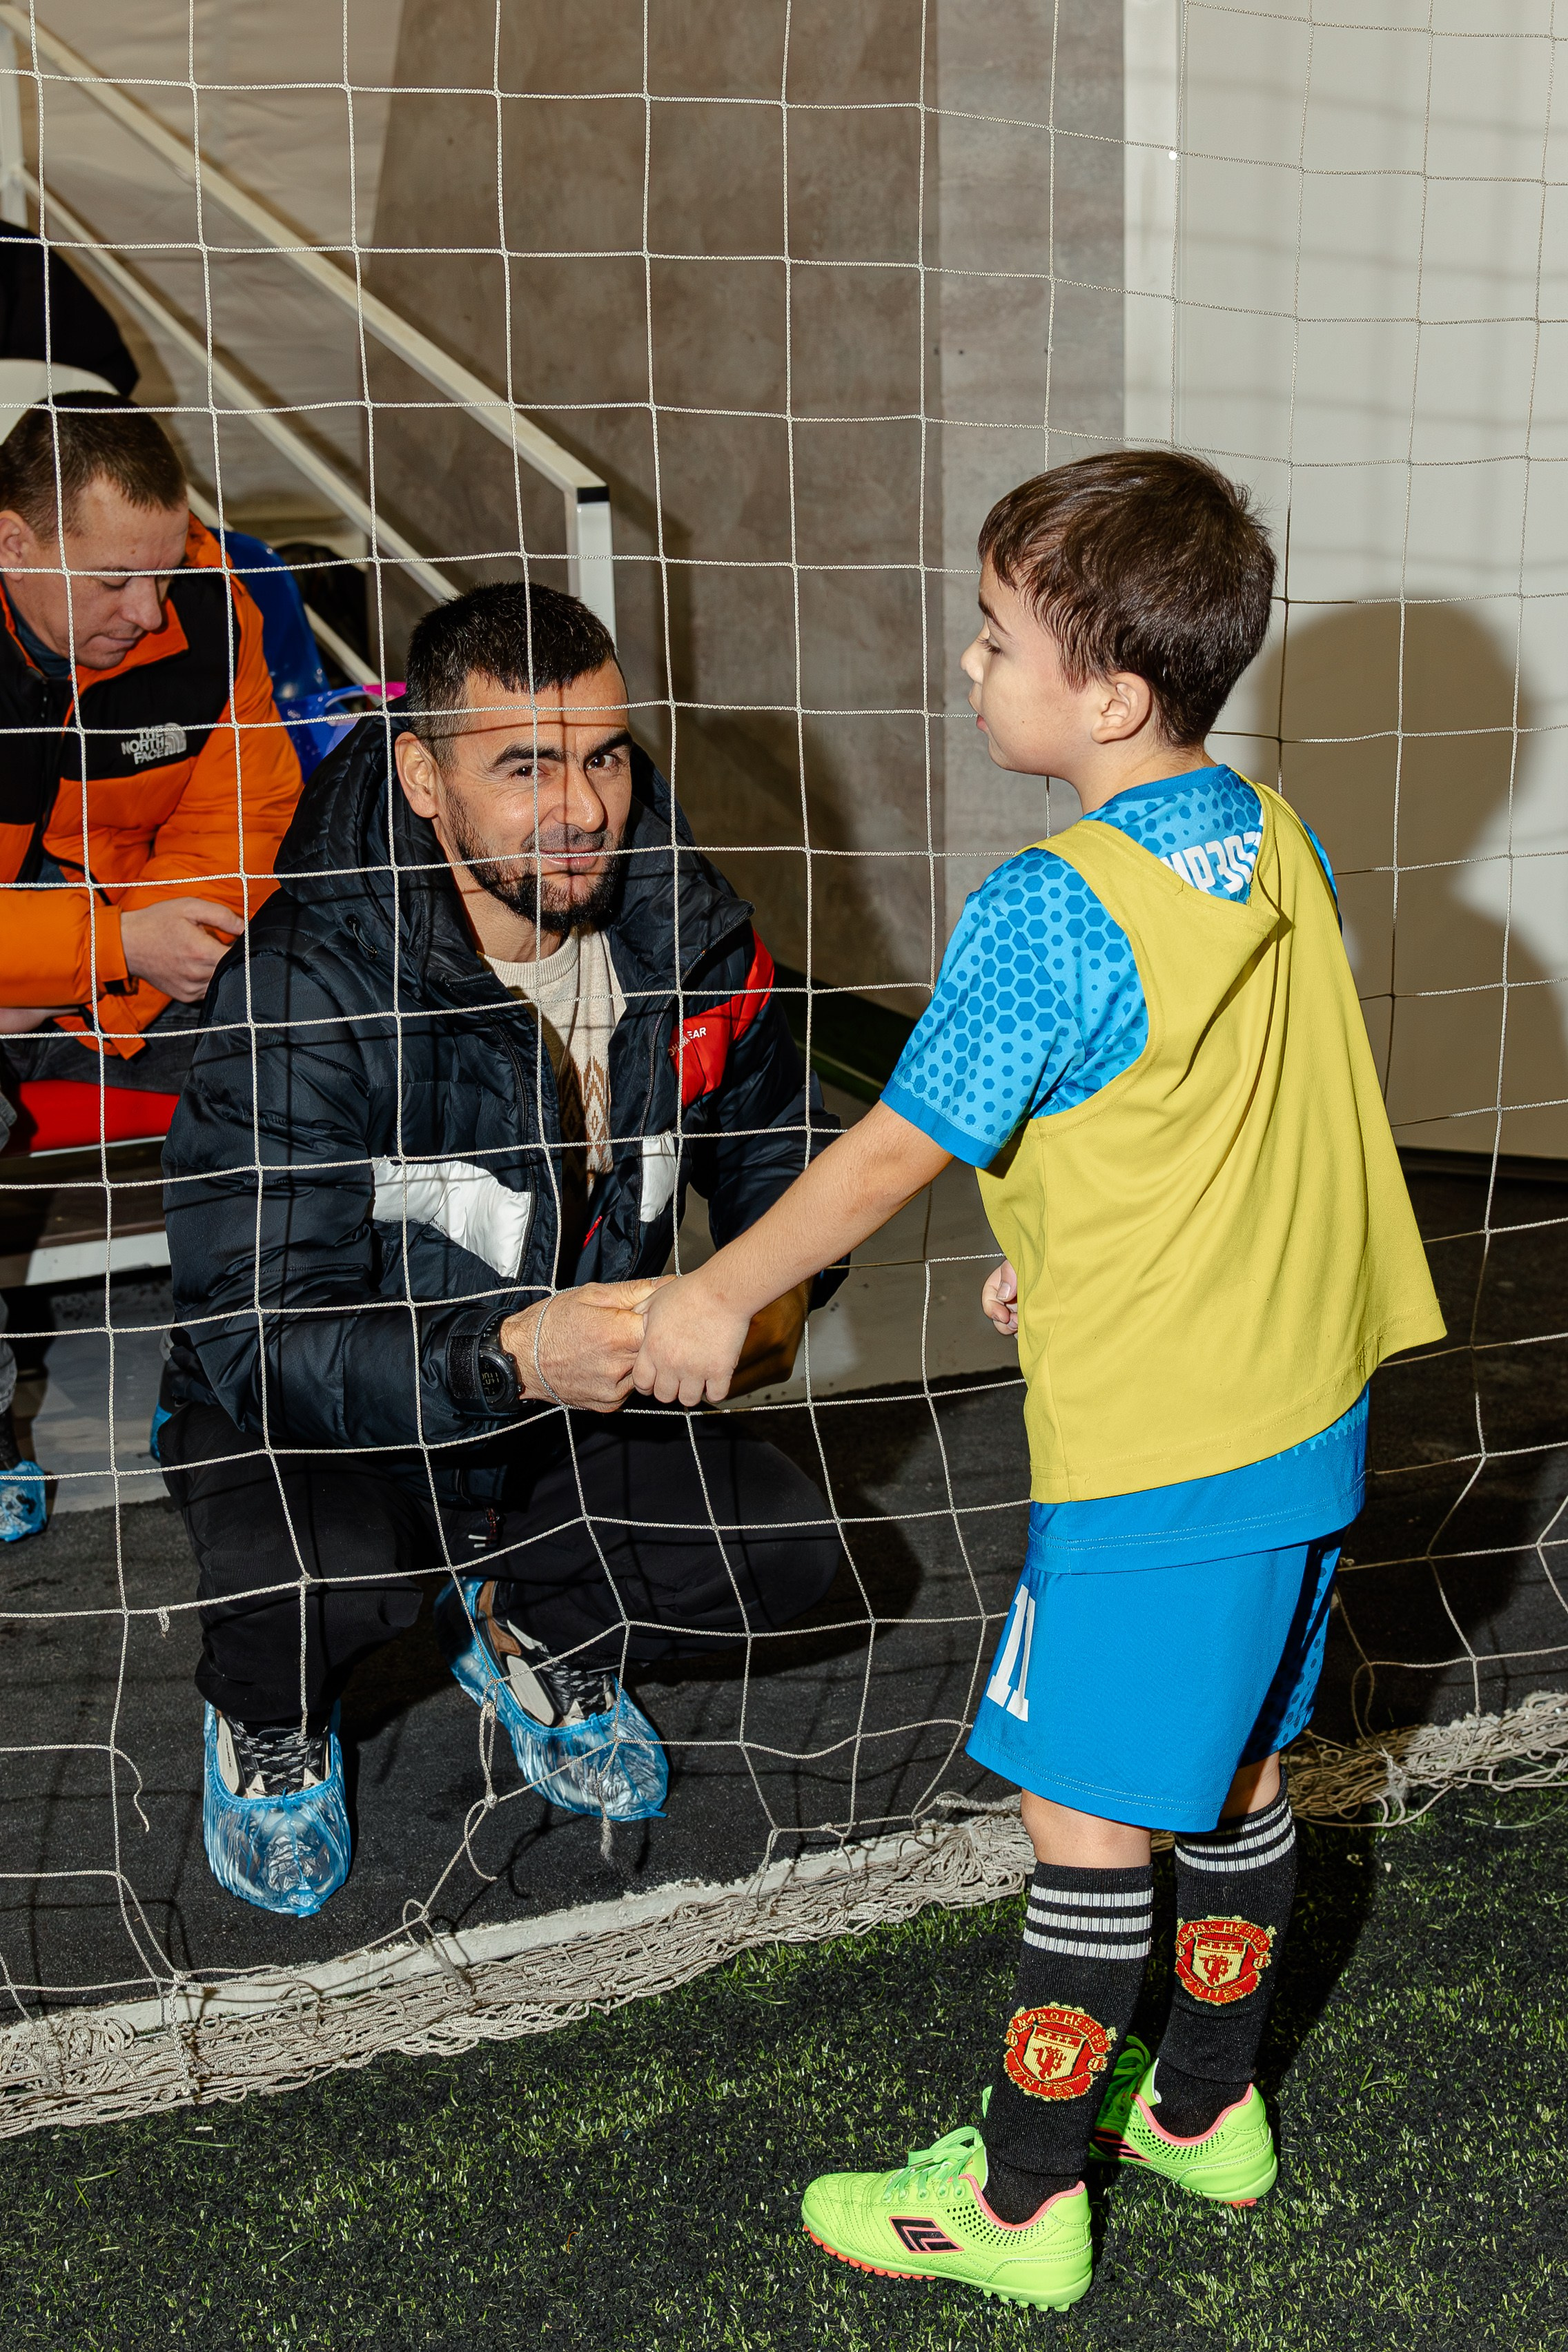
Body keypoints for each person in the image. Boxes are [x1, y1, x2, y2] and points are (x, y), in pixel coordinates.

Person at [631, 449, 1445, 2312]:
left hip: (1165, 1450)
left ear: (1113, 695)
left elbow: (895, 1149)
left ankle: (1014, 2207)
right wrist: (1069, 1246)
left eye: (998, 639)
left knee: (1085, 1820)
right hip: (1309, 1410)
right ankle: (1207, 2110)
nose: (970, 666)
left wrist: (718, 1296)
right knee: (1236, 1768)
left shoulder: (1047, 904)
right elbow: (1236, 1104)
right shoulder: (1276, 836)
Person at [157, 578, 845, 1919]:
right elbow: (255, 1336)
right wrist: (507, 1355)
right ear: (423, 777)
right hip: (326, 1417)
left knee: (784, 1560)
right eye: (523, 765)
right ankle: (264, 1722)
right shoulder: (303, 980)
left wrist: (770, 1287)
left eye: (600, 757)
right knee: (328, 1580)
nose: (580, 805)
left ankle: (527, 1629)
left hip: (574, 1399)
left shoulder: (682, 933)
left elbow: (779, 1140)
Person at [0, 393, 303, 1095]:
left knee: (353, 1041)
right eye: (114, 580)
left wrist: (98, 970)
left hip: (126, 984)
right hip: (118, 953)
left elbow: (240, 830)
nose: (149, 611)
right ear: (13, 545)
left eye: (165, 570)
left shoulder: (213, 614)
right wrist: (115, 946)